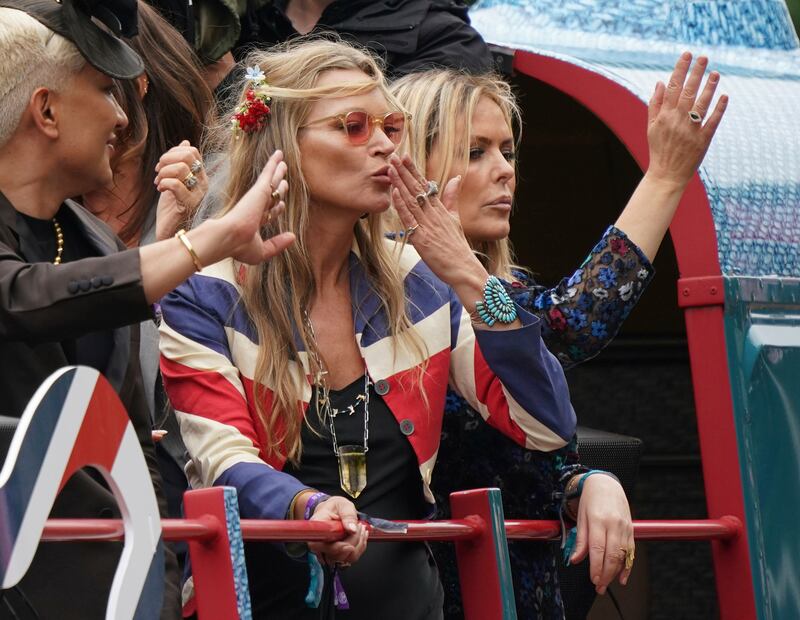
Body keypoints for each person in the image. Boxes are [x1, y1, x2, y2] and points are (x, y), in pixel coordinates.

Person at [158, 38, 575, 618]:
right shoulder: (205, 291)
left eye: (392, 126)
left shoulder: (423, 282)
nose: (383, 144)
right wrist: (306, 507)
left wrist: (472, 278)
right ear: (282, 145)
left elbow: (546, 424)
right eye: (353, 126)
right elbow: (222, 460)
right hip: (263, 602)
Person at [389, 56, 727, 618]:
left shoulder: (507, 291)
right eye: (476, 152)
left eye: (508, 151)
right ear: (406, 170)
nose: (504, 170)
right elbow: (572, 323)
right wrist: (664, 176)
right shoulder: (387, 298)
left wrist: (586, 482)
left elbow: (540, 449)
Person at [0, 0, 292, 616]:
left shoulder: (92, 240)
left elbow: (134, 449)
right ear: (45, 110)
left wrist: (154, 588)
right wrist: (206, 240)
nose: (120, 114)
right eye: (105, 89)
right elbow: (23, 299)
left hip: (106, 592)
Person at [82, 0, 216, 525]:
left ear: (138, 86)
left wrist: (180, 241)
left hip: (191, 500)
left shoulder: (215, 199)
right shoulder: (34, 216)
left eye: (99, 84)